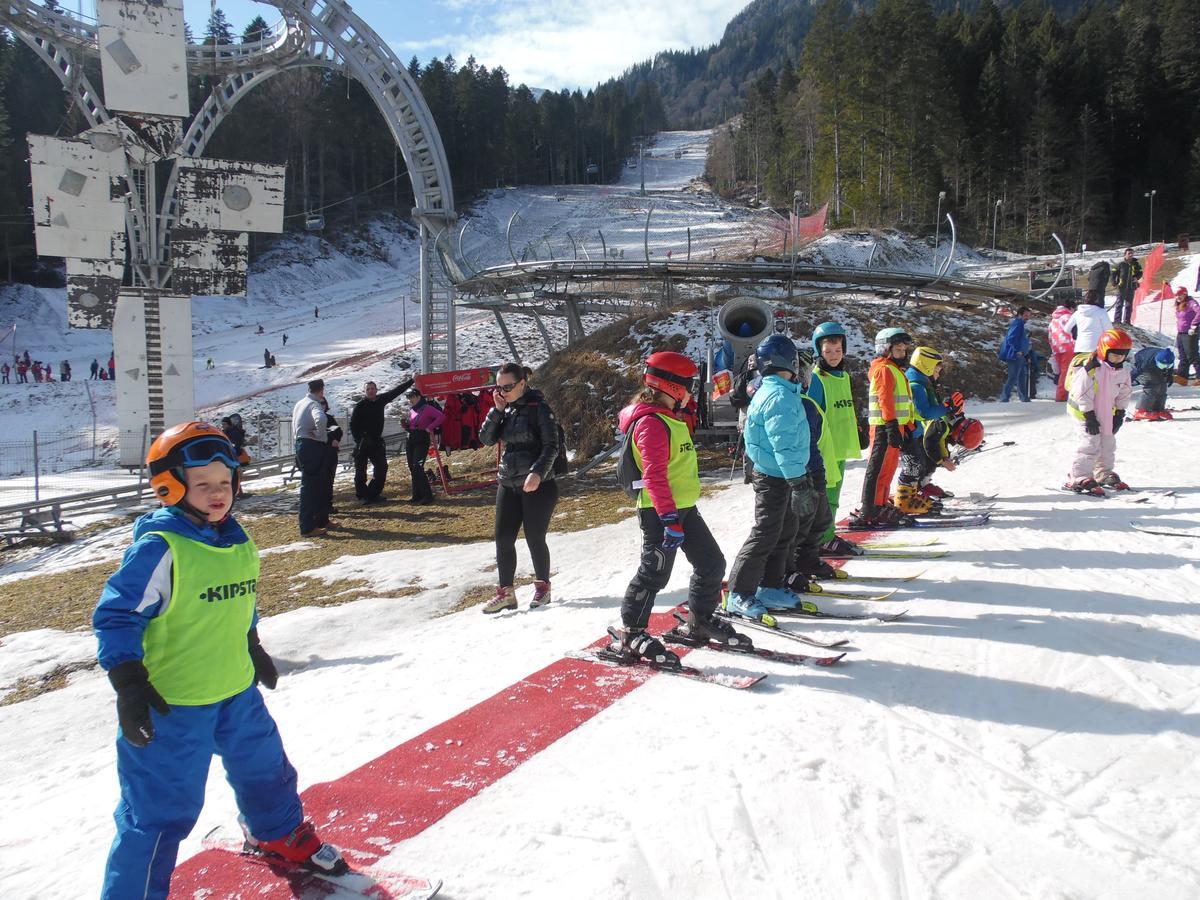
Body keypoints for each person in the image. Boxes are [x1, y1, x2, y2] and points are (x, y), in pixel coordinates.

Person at [92, 421, 346, 900]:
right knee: (158, 811)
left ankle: (273, 833)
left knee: (267, 771)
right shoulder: (160, 549)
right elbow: (117, 615)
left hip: (236, 691)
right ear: (171, 487)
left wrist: (251, 646)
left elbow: (239, 603)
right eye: (203, 484)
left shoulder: (236, 540)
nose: (217, 494)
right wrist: (128, 681)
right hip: (172, 705)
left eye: (224, 483)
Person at [610, 351, 745, 664]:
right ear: (671, 386)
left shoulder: (673, 417)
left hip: (684, 508)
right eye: (688, 385)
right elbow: (654, 475)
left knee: (711, 563)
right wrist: (669, 519)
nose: (691, 391)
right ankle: (632, 632)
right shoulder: (652, 424)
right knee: (654, 574)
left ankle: (700, 620)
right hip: (660, 513)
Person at [722, 335, 814, 623]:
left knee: (784, 529)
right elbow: (784, 444)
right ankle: (738, 593)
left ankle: (771, 585)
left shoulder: (779, 390)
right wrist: (798, 482)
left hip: (780, 473)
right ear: (789, 362)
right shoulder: (779, 396)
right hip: (776, 476)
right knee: (765, 532)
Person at [478, 364, 560, 612]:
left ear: (522, 383)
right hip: (509, 481)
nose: (503, 391)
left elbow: (551, 446)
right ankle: (506, 593)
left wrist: (537, 472)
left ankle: (542, 588)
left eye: (508, 387)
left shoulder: (540, 409)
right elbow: (486, 438)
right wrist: (497, 411)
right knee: (503, 539)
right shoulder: (506, 409)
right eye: (499, 387)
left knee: (535, 537)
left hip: (539, 484)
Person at [806, 322, 863, 557]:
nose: (833, 356)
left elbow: (845, 408)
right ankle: (823, 539)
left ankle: (826, 534)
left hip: (841, 445)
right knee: (827, 497)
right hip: (826, 449)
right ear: (819, 351)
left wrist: (858, 427)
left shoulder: (843, 376)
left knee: (834, 495)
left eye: (837, 351)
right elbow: (812, 413)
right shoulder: (818, 379)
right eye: (828, 351)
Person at [853, 328, 916, 527]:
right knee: (878, 469)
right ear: (885, 349)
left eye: (904, 350)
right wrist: (891, 425)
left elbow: (902, 402)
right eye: (898, 349)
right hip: (883, 427)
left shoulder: (894, 369)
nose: (902, 354)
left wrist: (907, 426)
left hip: (895, 426)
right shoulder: (884, 369)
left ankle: (880, 503)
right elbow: (885, 399)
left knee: (888, 468)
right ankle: (869, 508)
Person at [1064, 329, 1133, 492]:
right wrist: (1089, 416)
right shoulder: (1090, 369)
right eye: (1114, 355)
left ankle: (1103, 472)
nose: (1118, 359)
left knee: (1107, 442)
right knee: (1090, 442)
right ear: (1104, 351)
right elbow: (1081, 393)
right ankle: (1079, 476)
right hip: (1083, 412)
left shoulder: (1122, 372)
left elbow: (1124, 392)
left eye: (1122, 355)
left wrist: (1120, 414)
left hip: (1106, 412)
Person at [895, 346, 948, 515]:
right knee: (912, 465)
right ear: (926, 366)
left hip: (914, 431)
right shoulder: (916, 384)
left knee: (918, 463)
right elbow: (924, 412)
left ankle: (912, 494)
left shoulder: (922, 381)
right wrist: (947, 408)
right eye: (936, 370)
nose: (938, 374)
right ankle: (904, 500)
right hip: (908, 431)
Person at [349, 377, 414, 503]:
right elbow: (353, 425)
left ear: (376, 390)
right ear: (365, 391)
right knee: (360, 472)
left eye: (373, 389)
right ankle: (362, 496)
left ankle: (373, 493)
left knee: (382, 468)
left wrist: (411, 381)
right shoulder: (360, 406)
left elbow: (396, 391)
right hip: (362, 443)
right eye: (368, 389)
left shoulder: (380, 400)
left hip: (376, 442)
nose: (371, 391)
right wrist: (359, 440)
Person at [292, 379, 330, 537]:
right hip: (312, 447)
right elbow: (321, 419)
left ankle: (321, 520)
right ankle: (307, 526)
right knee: (311, 487)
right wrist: (321, 435)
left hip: (301, 444)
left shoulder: (300, 403)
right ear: (321, 390)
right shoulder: (314, 404)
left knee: (314, 485)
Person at [403, 386, 444, 505]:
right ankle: (416, 495)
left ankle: (427, 495)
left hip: (421, 440)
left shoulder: (426, 408)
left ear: (418, 397)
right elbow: (412, 425)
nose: (410, 399)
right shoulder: (412, 410)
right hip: (411, 439)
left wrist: (429, 428)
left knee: (417, 467)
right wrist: (406, 425)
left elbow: (441, 417)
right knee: (412, 467)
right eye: (409, 397)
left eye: (412, 397)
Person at [1131, 347, 1176, 421]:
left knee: (1162, 384)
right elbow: (1136, 372)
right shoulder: (1146, 362)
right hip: (1140, 363)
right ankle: (1141, 410)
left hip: (1154, 366)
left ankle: (1158, 409)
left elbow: (1170, 367)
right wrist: (1128, 381)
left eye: (1167, 365)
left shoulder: (1169, 358)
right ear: (1157, 360)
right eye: (1162, 365)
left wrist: (1170, 375)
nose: (1165, 367)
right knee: (1153, 384)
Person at [998, 306, 1033, 402]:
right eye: (1026, 315)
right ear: (1020, 315)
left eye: (1028, 316)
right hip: (1015, 355)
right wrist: (1018, 350)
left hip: (1020, 355)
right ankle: (1004, 398)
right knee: (1013, 377)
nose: (1027, 317)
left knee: (1022, 377)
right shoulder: (1018, 324)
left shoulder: (1020, 324)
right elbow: (1011, 338)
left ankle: (1024, 398)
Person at [1048, 299, 1076, 402]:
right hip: (1068, 347)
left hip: (1057, 348)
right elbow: (1074, 333)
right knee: (1068, 373)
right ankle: (1062, 396)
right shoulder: (1068, 317)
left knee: (1062, 373)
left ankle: (1063, 394)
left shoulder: (1053, 320)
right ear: (1071, 308)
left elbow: (1050, 337)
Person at [1173, 287, 1200, 386]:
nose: (1178, 297)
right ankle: (1182, 377)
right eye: (1176, 296)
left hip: (1190, 333)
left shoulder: (1191, 302)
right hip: (1181, 333)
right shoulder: (1180, 304)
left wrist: (1194, 324)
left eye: (1180, 295)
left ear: (1185, 294)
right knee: (1183, 356)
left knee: (1192, 355)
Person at [1112, 248, 1142, 325]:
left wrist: (1136, 278)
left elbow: (1140, 273)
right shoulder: (1120, 264)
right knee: (1119, 304)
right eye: (1129, 253)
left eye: (1132, 253)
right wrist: (1114, 283)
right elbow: (1113, 273)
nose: (1131, 255)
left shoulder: (1136, 264)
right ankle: (1117, 321)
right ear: (1125, 255)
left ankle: (1127, 321)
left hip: (1131, 287)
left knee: (1129, 305)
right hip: (1121, 287)